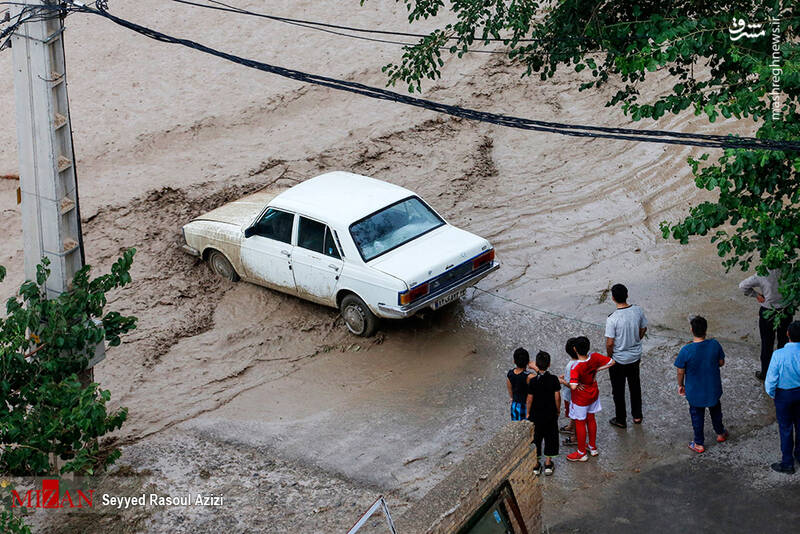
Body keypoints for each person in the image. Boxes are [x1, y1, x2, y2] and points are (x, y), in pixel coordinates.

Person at [674, 316, 729, 454]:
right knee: (716, 411)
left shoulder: (686, 350)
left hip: (695, 391)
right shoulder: (715, 345)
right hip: (713, 388)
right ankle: (720, 433)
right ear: (706, 329)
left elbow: (680, 371)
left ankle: (698, 443)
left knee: (697, 416)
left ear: (691, 330)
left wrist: (680, 385)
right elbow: (721, 362)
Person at [604, 283, 648, 428]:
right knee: (635, 386)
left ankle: (621, 419)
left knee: (618, 390)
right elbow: (643, 328)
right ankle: (637, 415)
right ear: (627, 295)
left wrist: (610, 357)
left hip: (618, 359)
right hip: (634, 356)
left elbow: (610, 343)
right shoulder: (637, 310)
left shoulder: (612, 319)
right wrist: (636, 339)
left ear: (613, 298)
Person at [739, 269, 794, 381]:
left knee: (767, 344)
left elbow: (742, 286)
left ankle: (765, 373)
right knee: (784, 342)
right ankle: (782, 372)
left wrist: (756, 294)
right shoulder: (789, 271)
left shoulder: (762, 273)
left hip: (768, 312)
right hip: (785, 311)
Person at [566, 336, 615, 462]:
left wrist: (568, 382)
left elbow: (573, 386)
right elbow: (611, 362)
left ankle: (581, 453)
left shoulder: (575, 367)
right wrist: (597, 369)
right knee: (591, 419)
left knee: (580, 423)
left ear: (575, 349)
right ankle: (592, 447)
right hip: (593, 393)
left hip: (580, 399)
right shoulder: (594, 357)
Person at [764, 321, 800, 474]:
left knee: (785, 428)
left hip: (783, 395)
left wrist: (772, 394)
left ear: (787, 334)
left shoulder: (778, 355)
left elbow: (771, 380)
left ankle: (787, 463)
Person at [527, 351, 561, 476]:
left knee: (536, 438)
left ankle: (536, 465)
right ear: (549, 364)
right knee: (551, 437)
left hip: (536, 415)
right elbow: (557, 397)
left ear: (536, 364)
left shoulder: (533, 381)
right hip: (550, 414)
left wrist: (528, 413)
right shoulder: (553, 380)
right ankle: (548, 464)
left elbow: (529, 399)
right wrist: (558, 410)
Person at [559, 338, 579, 446]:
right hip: (574, 396)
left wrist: (562, 381)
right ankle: (571, 427)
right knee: (573, 414)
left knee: (574, 414)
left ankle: (575, 436)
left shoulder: (571, 365)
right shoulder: (578, 363)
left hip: (571, 396)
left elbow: (572, 384)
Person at [506, 348, 531, 421]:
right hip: (526, 405)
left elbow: (510, 389)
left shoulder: (510, 374)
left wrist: (512, 398)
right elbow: (542, 378)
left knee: (516, 425)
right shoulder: (529, 376)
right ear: (528, 362)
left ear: (514, 361)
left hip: (515, 404)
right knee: (528, 426)